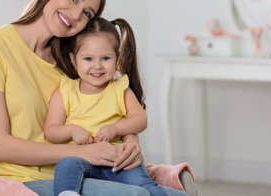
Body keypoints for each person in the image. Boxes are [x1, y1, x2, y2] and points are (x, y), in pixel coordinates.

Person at [0, 0, 156, 196]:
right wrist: (80, 153)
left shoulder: (72, 63)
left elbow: (110, 103)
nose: (76, 15)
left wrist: (131, 142)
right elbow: (0, 147)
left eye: (87, 13)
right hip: (16, 180)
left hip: (77, 173)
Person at [45, 18, 187, 196]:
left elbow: (140, 119)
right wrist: (71, 130)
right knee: (66, 165)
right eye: (88, 58)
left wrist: (115, 128)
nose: (97, 66)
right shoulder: (65, 91)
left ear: (117, 58)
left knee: (146, 188)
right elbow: (51, 131)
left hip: (118, 161)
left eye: (105, 58)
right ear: (74, 60)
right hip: (82, 160)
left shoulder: (120, 89)